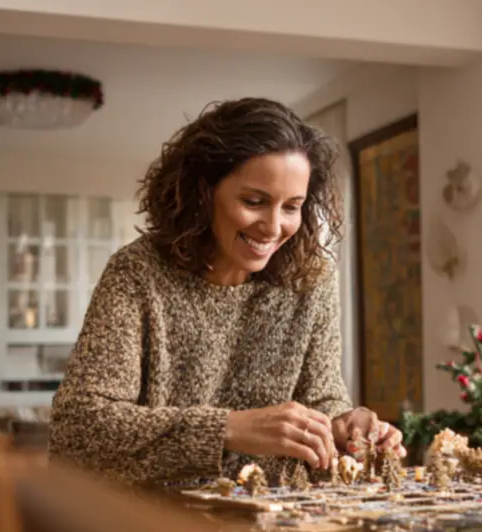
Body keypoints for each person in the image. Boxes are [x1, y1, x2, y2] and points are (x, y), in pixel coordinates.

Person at [49, 97, 403, 483]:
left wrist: (343, 425)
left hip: (277, 527)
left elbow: (322, 397)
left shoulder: (311, 281)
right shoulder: (138, 273)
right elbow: (78, 428)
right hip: (147, 531)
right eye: (254, 202)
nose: (273, 227)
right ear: (203, 192)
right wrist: (228, 429)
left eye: (291, 207)